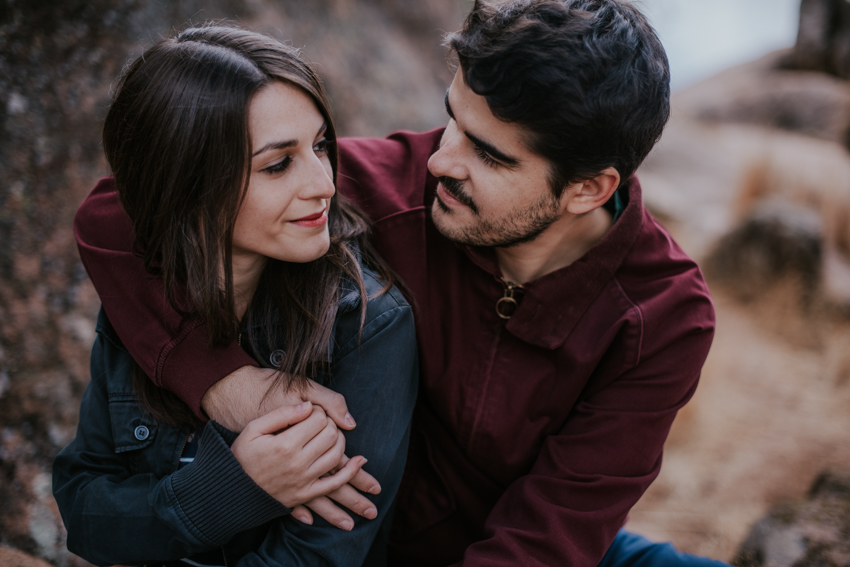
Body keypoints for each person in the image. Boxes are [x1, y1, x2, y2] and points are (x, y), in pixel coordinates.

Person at [71, 1, 726, 566]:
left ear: (589, 189)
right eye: (454, 122)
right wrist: (221, 378)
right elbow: (121, 209)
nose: (442, 160)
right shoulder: (375, 190)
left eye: (490, 154)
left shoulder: (662, 316)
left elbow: (545, 541)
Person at [52, 25, 418, 566]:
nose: (324, 184)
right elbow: (84, 512)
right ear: (186, 186)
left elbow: (320, 556)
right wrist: (231, 489)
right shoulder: (139, 302)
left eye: (320, 145)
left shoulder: (366, 322)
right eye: (277, 164)